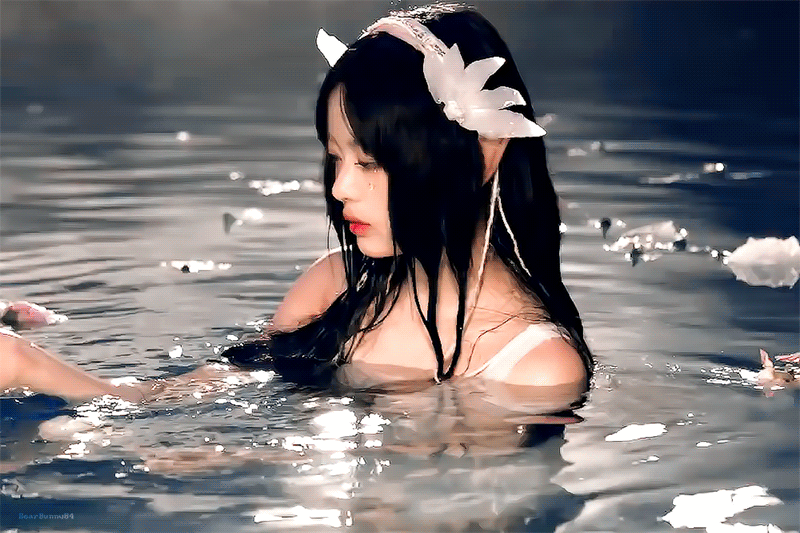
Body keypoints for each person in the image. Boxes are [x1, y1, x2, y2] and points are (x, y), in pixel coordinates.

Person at [1, 3, 592, 403]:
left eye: (369, 162)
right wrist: (25, 364)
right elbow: (165, 401)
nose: (340, 188)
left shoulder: (535, 366)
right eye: (335, 159)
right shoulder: (333, 286)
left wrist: (240, 459)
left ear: (484, 155)